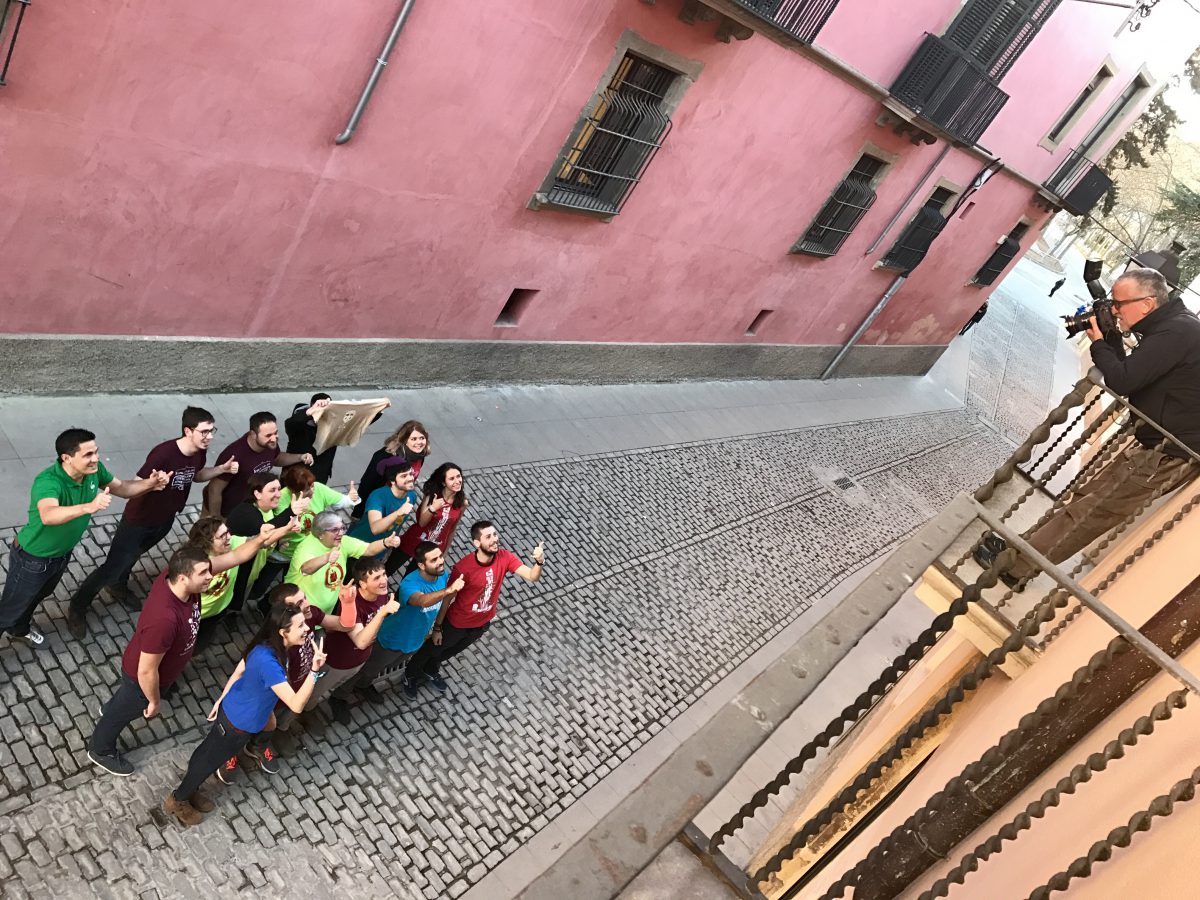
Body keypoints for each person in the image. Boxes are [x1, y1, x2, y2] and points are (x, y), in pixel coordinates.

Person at [982, 269, 1200, 588]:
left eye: (1119, 304)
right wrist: (1111, 338)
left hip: (1167, 455)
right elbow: (1133, 372)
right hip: (1154, 447)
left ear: (1147, 303)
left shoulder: (1177, 332)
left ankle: (1017, 567)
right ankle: (1019, 551)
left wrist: (1099, 343)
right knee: (1084, 500)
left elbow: (1123, 380)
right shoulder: (1173, 327)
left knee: (1091, 513)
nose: (1115, 310)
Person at [65, 407, 238, 639]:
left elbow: (196, 475)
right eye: (204, 432)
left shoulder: (199, 452)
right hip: (139, 521)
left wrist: (221, 469)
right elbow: (135, 485)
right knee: (112, 565)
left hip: (164, 519)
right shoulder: (164, 453)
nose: (209, 437)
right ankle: (78, 605)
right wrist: (153, 483)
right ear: (188, 431)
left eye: (212, 431)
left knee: (133, 556)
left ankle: (118, 584)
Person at [0, 428, 170, 647]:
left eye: (96, 452)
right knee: (9, 610)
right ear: (67, 458)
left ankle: (19, 629)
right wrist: (89, 506)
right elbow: (48, 514)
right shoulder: (48, 482)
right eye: (88, 454)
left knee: (38, 595)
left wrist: (150, 483)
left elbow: (124, 488)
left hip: (60, 555)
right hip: (32, 559)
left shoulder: (94, 472)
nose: (96, 458)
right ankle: (12, 625)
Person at [162, 602, 326, 825]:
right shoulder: (270, 663)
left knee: (210, 753)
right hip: (237, 722)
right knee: (209, 759)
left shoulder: (269, 648)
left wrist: (223, 698)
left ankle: (191, 789)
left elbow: (242, 672)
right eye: (300, 626)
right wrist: (314, 671)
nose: (306, 629)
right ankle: (178, 799)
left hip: (239, 716)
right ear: (283, 632)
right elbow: (296, 705)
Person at [87, 547, 213, 776]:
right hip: (141, 679)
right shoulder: (164, 620)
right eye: (203, 572)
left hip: (148, 674)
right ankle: (100, 749)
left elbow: (232, 558)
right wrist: (154, 701)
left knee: (123, 702)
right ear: (183, 578)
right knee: (121, 714)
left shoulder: (175, 579)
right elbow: (146, 672)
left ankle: (112, 707)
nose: (210, 576)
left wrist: (261, 541)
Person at [404, 521, 544, 695]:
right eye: (488, 537)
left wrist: (539, 562)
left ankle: (430, 669)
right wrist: (438, 628)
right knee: (432, 649)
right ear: (477, 543)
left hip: (481, 624)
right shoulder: (463, 568)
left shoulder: (505, 557)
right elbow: (448, 598)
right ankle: (410, 674)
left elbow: (532, 576)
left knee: (451, 651)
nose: (494, 539)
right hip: (456, 624)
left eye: (495, 534)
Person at [352, 541, 463, 699]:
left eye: (440, 556)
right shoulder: (409, 584)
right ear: (421, 565)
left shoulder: (442, 576)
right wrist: (448, 590)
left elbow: (441, 603)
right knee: (369, 668)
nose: (440, 561)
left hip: (414, 641)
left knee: (384, 667)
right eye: (434, 559)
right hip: (392, 640)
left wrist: (437, 628)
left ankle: (364, 685)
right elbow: (421, 601)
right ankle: (344, 693)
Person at [188, 514, 299, 653]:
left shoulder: (233, 543)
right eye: (222, 536)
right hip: (194, 615)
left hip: (217, 611)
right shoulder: (196, 564)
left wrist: (286, 529)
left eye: (228, 532)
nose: (229, 537)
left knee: (201, 641)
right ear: (207, 542)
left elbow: (260, 541)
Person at [252, 464, 358, 607]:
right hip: (281, 555)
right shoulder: (280, 500)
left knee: (290, 588)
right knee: (261, 585)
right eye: (307, 489)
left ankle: (270, 607)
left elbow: (343, 501)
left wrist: (351, 498)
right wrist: (280, 539)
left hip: (303, 555)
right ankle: (249, 604)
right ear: (293, 490)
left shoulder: (318, 489)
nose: (312, 490)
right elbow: (270, 527)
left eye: (312, 485)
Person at [309, 559, 401, 724]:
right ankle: (305, 713)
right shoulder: (353, 604)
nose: (384, 580)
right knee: (315, 691)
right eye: (377, 578)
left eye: (384, 574)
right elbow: (360, 642)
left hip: (358, 660)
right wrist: (383, 613)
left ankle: (333, 700)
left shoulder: (380, 593)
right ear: (363, 584)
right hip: (337, 662)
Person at [224, 473, 311, 616]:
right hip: (234, 572)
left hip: (251, 570)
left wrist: (278, 543)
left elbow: (270, 531)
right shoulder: (246, 513)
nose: (278, 494)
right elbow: (264, 534)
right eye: (272, 490)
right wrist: (290, 512)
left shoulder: (267, 511)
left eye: (279, 489)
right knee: (231, 598)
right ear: (257, 494)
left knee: (242, 595)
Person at [285, 510, 402, 615]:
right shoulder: (306, 548)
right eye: (335, 530)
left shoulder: (343, 542)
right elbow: (306, 569)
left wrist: (385, 543)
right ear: (320, 534)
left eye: (342, 528)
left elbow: (368, 549)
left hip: (323, 615)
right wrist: (326, 558)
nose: (341, 533)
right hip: (298, 612)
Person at [202, 412, 314, 517]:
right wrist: (215, 519)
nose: (274, 438)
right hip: (225, 511)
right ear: (253, 434)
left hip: (247, 508)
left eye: (275, 433)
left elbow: (276, 458)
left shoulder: (269, 445)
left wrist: (300, 457)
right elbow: (214, 490)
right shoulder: (234, 455)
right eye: (268, 435)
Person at [284, 394, 389, 484]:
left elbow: (359, 420)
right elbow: (291, 423)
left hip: (320, 474)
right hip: (295, 473)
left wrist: (378, 408)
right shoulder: (300, 423)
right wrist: (310, 412)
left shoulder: (335, 423)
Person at [395, 462, 468, 575]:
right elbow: (422, 522)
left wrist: (445, 551)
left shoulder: (462, 503)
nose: (457, 481)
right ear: (443, 482)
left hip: (432, 550)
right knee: (391, 566)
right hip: (415, 539)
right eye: (452, 478)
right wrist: (433, 508)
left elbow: (452, 529)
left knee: (412, 577)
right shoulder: (432, 495)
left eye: (459, 476)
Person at [346, 463, 419, 576]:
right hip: (358, 548)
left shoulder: (411, 497)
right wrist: (398, 512)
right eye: (404, 476)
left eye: (410, 474)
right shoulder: (378, 496)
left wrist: (388, 547)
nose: (410, 478)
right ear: (393, 481)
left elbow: (398, 523)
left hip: (378, 553)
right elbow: (375, 528)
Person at [352, 420, 430, 519]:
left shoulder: (419, 456)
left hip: (395, 505)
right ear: (404, 440)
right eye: (413, 439)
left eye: (422, 438)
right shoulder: (385, 457)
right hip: (376, 505)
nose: (419, 442)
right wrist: (358, 513)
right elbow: (366, 484)